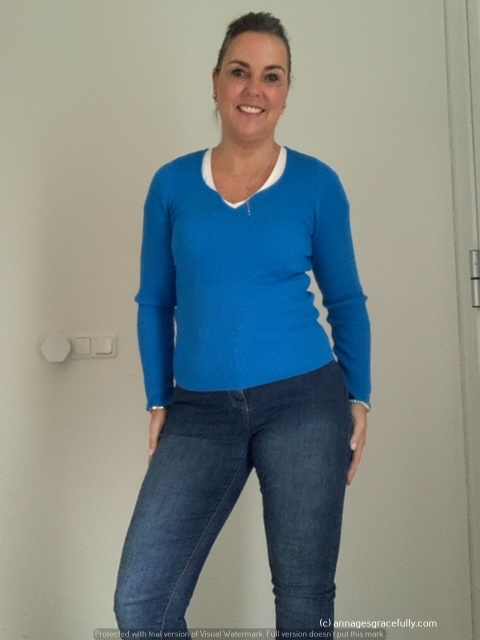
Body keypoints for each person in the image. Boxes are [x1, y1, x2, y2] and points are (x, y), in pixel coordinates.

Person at [114, 11, 371, 638]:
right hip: (199, 411)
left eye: (271, 76)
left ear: (286, 91)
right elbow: (155, 301)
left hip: (305, 404)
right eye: (240, 72)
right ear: (216, 81)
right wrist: (158, 398)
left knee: (304, 601)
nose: (254, 89)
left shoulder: (317, 184)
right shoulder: (172, 184)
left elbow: (345, 299)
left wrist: (360, 395)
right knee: (142, 603)